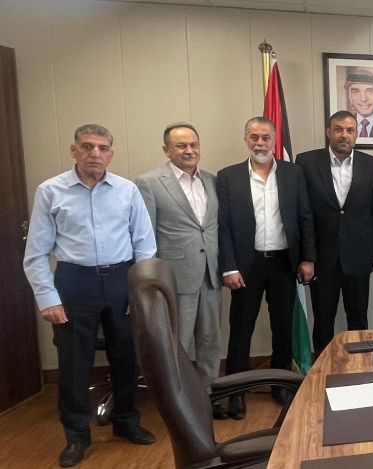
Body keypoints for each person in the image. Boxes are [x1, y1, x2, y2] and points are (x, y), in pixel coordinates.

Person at [23, 124, 157, 467]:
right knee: (73, 363)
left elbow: (145, 244)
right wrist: (47, 298)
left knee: (126, 356)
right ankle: (77, 435)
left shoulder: (127, 190)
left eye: (102, 148)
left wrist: (139, 290)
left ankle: (126, 421)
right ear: (74, 151)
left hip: (121, 280)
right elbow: (36, 253)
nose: (94, 153)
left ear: (110, 154)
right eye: (87, 146)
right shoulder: (50, 191)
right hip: (74, 282)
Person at [217, 117, 316, 419]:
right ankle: (236, 392)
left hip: (284, 263)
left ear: (274, 140)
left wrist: (308, 258)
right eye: (254, 137)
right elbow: (223, 226)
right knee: (240, 330)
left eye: (265, 137)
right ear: (245, 139)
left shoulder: (292, 173)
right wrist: (228, 267)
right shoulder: (228, 176)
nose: (260, 143)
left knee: (283, 328)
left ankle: (280, 385)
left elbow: (305, 217)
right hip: (245, 266)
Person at [135, 123, 225, 418]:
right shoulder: (149, 183)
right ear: (166, 150)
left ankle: (208, 398)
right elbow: (145, 236)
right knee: (178, 345)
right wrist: (151, 282)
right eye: (181, 145)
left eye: (193, 145)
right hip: (175, 278)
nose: (189, 150)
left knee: (210, 342)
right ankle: (180, 406)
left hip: (211, 274)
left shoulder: (212, 181)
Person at [296, 111, 373, 356]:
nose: (344, 135)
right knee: (322, 321)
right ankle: (322, 370)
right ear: (329, 132)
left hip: (359, 256)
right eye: (338, 129)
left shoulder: (372, 165)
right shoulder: (306, 162)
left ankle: (359, 367)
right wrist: (307, 256)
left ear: (356, 134)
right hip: (322, 257)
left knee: (358, 319)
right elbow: (303, 213)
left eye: (349, 130)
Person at [344, 70, 373, 138]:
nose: (363, 99)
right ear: (350, 96)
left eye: (370, 91)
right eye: (356, 92)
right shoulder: (344, 124)